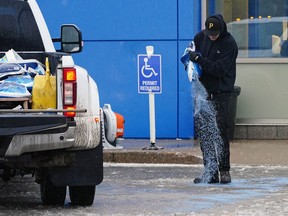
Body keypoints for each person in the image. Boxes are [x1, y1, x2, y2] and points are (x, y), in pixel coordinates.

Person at [189, 14, 238, 184]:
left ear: (221, 29)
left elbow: (219, 69)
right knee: (205, 134)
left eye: (215, 34)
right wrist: (190, 62)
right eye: (210, 33)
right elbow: (192, 53)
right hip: (202, 93)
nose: (212, 37)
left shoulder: (229, 44)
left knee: (220, 133)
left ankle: (224, 170)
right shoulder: (200, 37)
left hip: (221, 93)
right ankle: (210, 170)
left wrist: (200, 60)